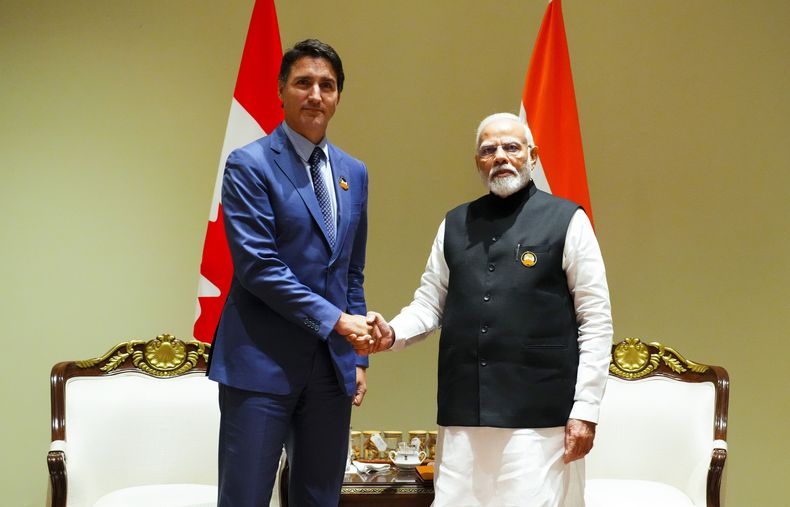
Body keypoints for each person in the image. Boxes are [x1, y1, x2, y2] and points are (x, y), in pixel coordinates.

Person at [353, 113, 613, 506]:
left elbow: (595, 321)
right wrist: (391, 333)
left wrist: (586, 409)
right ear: (478, 161)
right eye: (489, 150)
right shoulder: (455, 223)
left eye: (512, 147)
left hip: (540, 419)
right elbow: (428, 303)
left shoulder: (568, 221)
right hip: (464, 418)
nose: (501, 157)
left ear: (533, 156)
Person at [208, 39, 373, 506]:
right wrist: (337, 322)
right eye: (304, 83)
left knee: (319, 499)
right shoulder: (250, 164)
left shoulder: (354, 172)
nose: (315, 94)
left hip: (330, 370)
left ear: (339, 96)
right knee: (245, 498)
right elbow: (259, 267)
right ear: (282, 90)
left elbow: (351, 272)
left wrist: (357, 355)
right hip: (260, 365)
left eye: (328, 85)